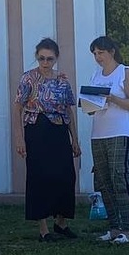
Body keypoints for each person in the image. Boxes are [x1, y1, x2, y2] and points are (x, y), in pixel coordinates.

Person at [15, 38, 80, 242]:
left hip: (59, 130)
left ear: (56, 58)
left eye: (49, 59)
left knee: (65, 176)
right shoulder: (28, 79)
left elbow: (68, 109)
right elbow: (18, 107)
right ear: (37, 57)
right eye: (42, 58)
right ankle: (43, 229)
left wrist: (75, 139)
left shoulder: (62, 80)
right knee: (39, 177)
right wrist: (20, 138)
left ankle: (61, 223)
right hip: (36, 129)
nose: (45, 62)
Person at [86, 35, 129, 244]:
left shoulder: (125, 72)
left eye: (100, 52)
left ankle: (128, 230)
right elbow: (92, 109)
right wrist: (89, 104)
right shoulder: (95, 76)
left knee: (119, 178)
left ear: (111, 52)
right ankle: (113, 227)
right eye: (94, 54)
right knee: (103, 180)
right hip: (98, 133)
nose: (97, 57)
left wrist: (113, 98)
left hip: (120, 132)